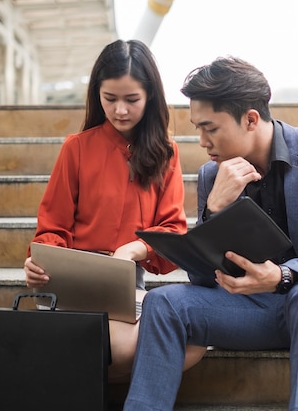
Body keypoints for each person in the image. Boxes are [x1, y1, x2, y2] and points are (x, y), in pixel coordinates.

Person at [124, 56, 298, 410]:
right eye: (197, 128)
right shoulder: (212, 175)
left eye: (211, 128)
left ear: (251, 119)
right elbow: (202, 277)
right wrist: (214, 211)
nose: (203, 141)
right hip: (253, 310)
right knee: (164, 302)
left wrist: (283, 275)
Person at [23, 39, 206, 382]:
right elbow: (53, 227)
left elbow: (173, 230)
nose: (120, 110)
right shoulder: (76, 149)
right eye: (110, 99)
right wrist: (40, 263)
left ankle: (80, 380)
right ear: (97, 95)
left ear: (150, 96)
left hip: (128, 281)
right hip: (75, 279)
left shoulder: (165, 152)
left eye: (132, 100)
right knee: (127, 347)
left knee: (195, 343)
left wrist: (135, 249)